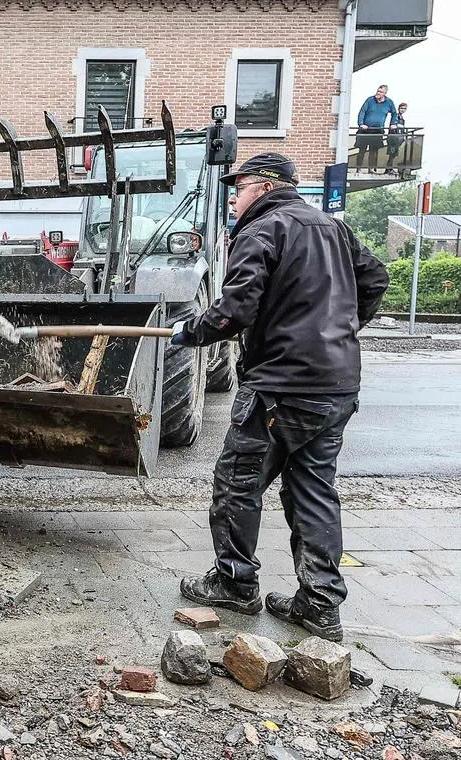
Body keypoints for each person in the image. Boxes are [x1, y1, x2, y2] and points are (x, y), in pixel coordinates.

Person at [171, 153, 389, 642]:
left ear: (266, 187)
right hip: (336, 385)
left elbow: (233, 310)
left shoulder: (262, 230)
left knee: (237, 481)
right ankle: (319, 605)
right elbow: (375, 280)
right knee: (313, 489)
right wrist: (338, 330)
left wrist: (190, 332)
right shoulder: (334, 228)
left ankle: (233, 583)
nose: (233, 194)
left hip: (279, 387)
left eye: (240, 185)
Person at [355, 84, 399, 173]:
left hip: (378, 130)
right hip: (365, 130)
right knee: (362, 150)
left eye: (380, 92)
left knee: (373, 150)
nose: (378, 93)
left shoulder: (389, 102)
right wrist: (361, 124)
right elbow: (362, 112)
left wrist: (393, 123)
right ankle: (358, 168)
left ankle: (371, 169)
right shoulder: (370, 100)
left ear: (385, 93)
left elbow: (394, 113)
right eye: (378, 91)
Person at [385, 102, 409, 174]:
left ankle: (389, 168)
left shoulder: (401, 117)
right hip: (393, 138)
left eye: (404, 109)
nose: (403, 110)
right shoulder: (395, 115)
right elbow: (393, 126)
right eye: (402, 108)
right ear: (399, 108)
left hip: (398, 138)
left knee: (394, 154)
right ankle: (389, 169)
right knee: (392, 154)